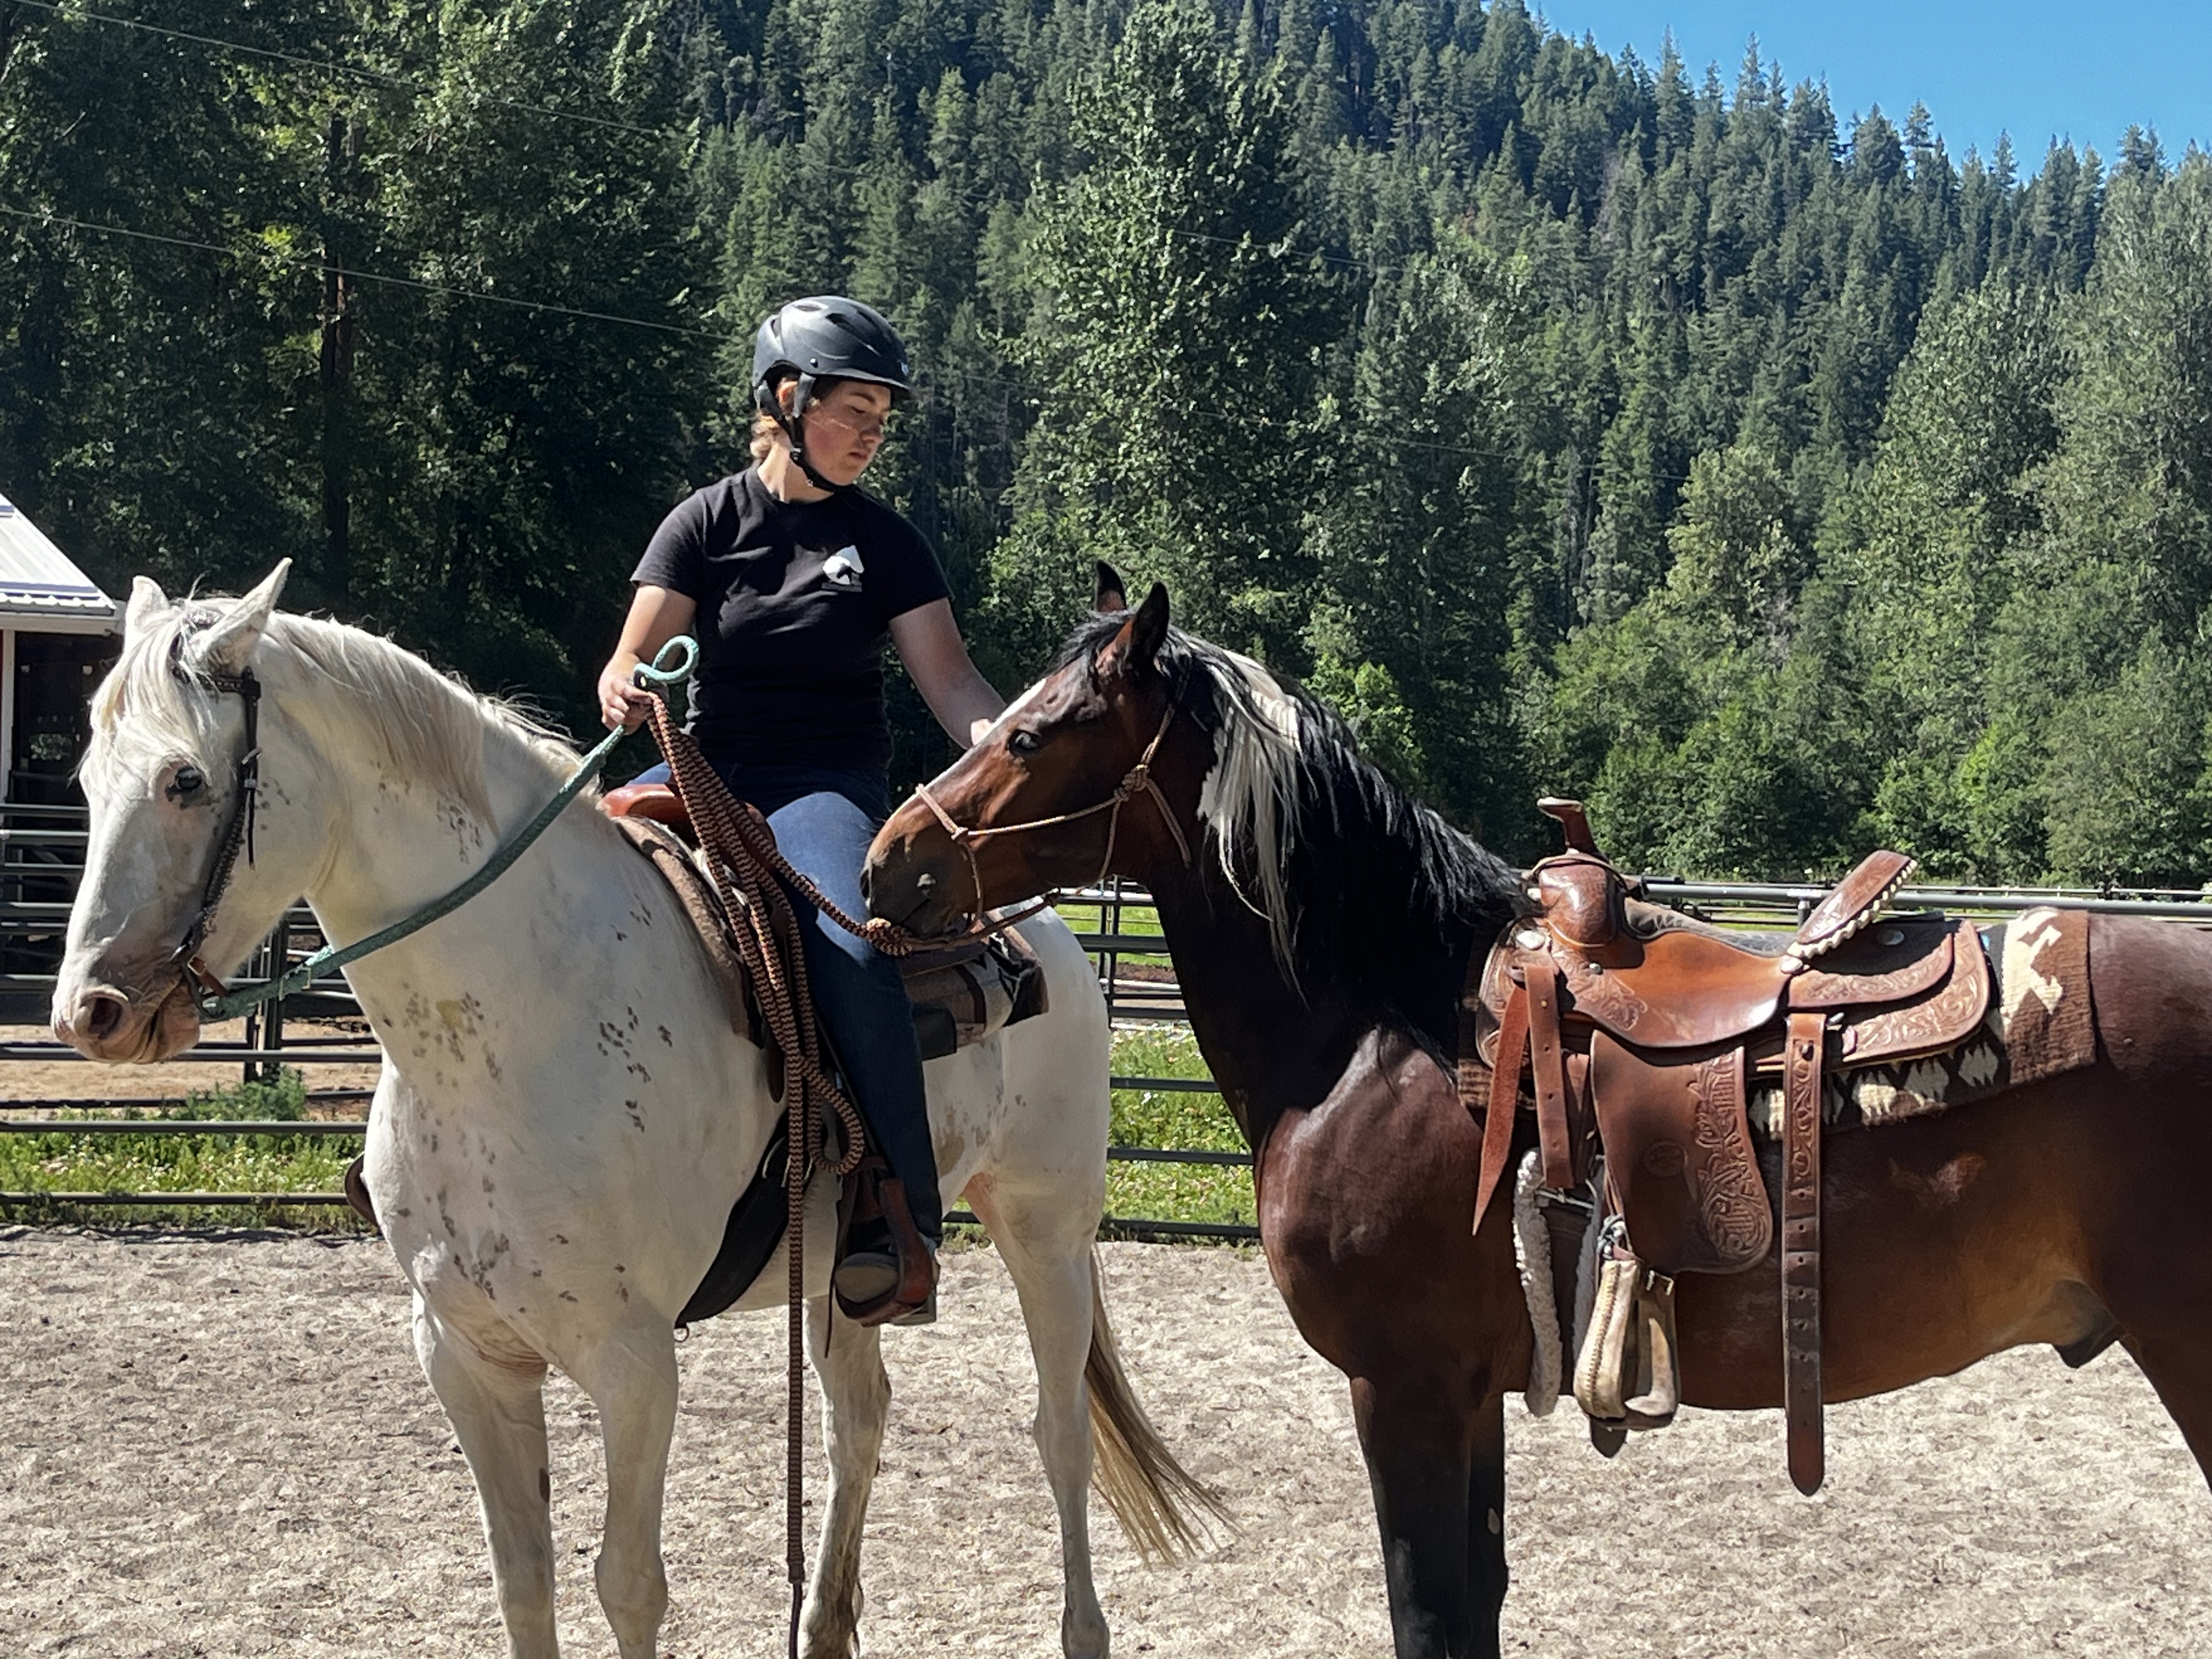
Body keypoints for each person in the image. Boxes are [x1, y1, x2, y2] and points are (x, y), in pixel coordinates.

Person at [596, 296, 1003, 1324]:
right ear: (786, 400)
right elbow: (631, 655)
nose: (872, 434)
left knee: (853, 950)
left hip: (822, 783)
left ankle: (898, 1219)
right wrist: (624, 685)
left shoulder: (887, 543)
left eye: (881, 418)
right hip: (702, 770)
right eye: (854, 410)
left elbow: (952, 684)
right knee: (552, 880)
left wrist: (1011, 752)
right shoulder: (705, 523)